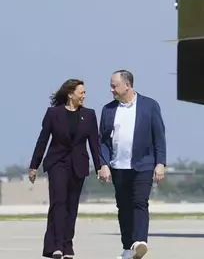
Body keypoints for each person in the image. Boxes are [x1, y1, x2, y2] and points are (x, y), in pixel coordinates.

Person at [97, 70, 167, 259]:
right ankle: (128, 247)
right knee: (124, 207)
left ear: (127, 85)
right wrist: (103, 164)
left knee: (140, 202)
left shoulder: (150, 106)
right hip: (118, 166)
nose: (111, 89)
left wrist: (160, 163)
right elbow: (102, 141)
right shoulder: (108, 109)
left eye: (114, 85)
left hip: (143, 164)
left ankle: (140, 242)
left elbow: (159, 137)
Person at [28, 79, 101, 259]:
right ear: (70, 94)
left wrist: (100, 166)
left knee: (71, 205)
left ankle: (68, 246)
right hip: (57, 163)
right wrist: (33, 166)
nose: (84, 95)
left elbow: (94, 144)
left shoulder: (89, 115)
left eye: (84, 93)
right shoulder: (54, 114)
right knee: (59, 202)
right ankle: (57, 246)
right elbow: (42, 140)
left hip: (78, 165)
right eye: (81, 92)